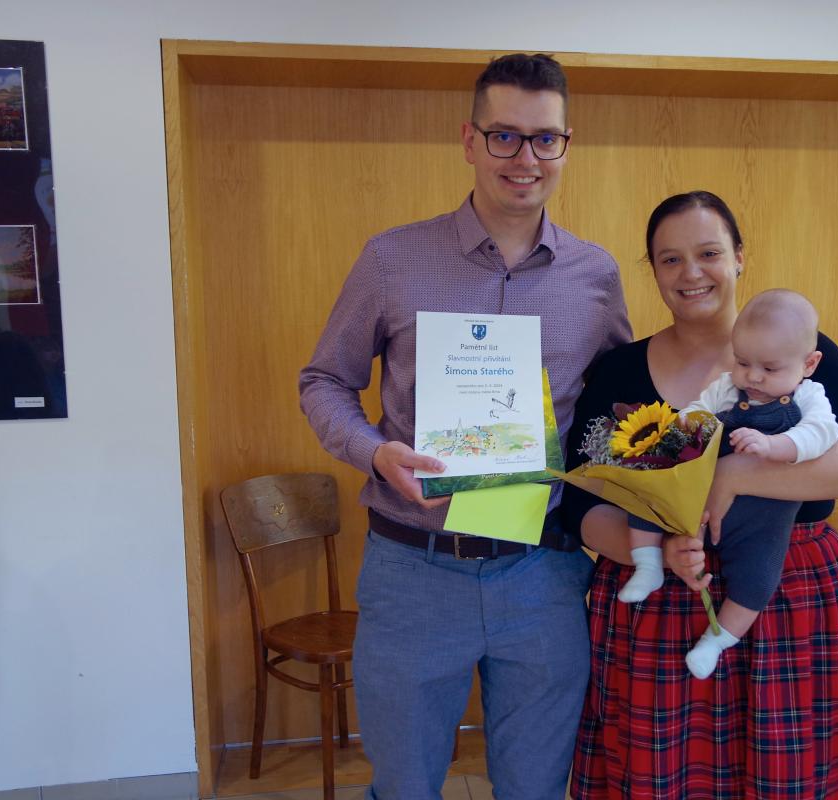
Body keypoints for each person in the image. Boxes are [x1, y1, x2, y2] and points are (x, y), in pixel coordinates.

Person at [299, 53, 632, 800]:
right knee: (405, 787)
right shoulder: (392, 258)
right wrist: (373, 452)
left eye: (545, 139)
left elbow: (612, 414)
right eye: (504, 136)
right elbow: (323, 380)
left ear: (566, 146)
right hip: (414, 569)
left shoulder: (596, 275)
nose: (525, 158)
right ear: (469, 140)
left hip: (543, 572)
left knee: (535, 788)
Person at [565, 190, 838, 799]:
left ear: (739, 256)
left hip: (787, 593)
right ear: (653, 270)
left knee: (788, 775)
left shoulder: (800, 354)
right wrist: (653, 551)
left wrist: (737, 476)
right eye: (669, 259)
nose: (690, 272)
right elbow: (581, 498)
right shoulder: (618, 370)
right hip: (654, 607)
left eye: (709, 253)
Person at [617, 289, 838, 680]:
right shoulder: (726, 387)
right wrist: (680, 428)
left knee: (758, 579)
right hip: (700, 506)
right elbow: (697, 411)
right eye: (742, 362)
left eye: (769, 368)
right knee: (648, 492)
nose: (752, 377)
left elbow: (823, 433)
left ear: (809, 363)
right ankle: (648, 564)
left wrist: (775, 446)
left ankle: (717, 640)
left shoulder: (809, 396)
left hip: (762, 521)